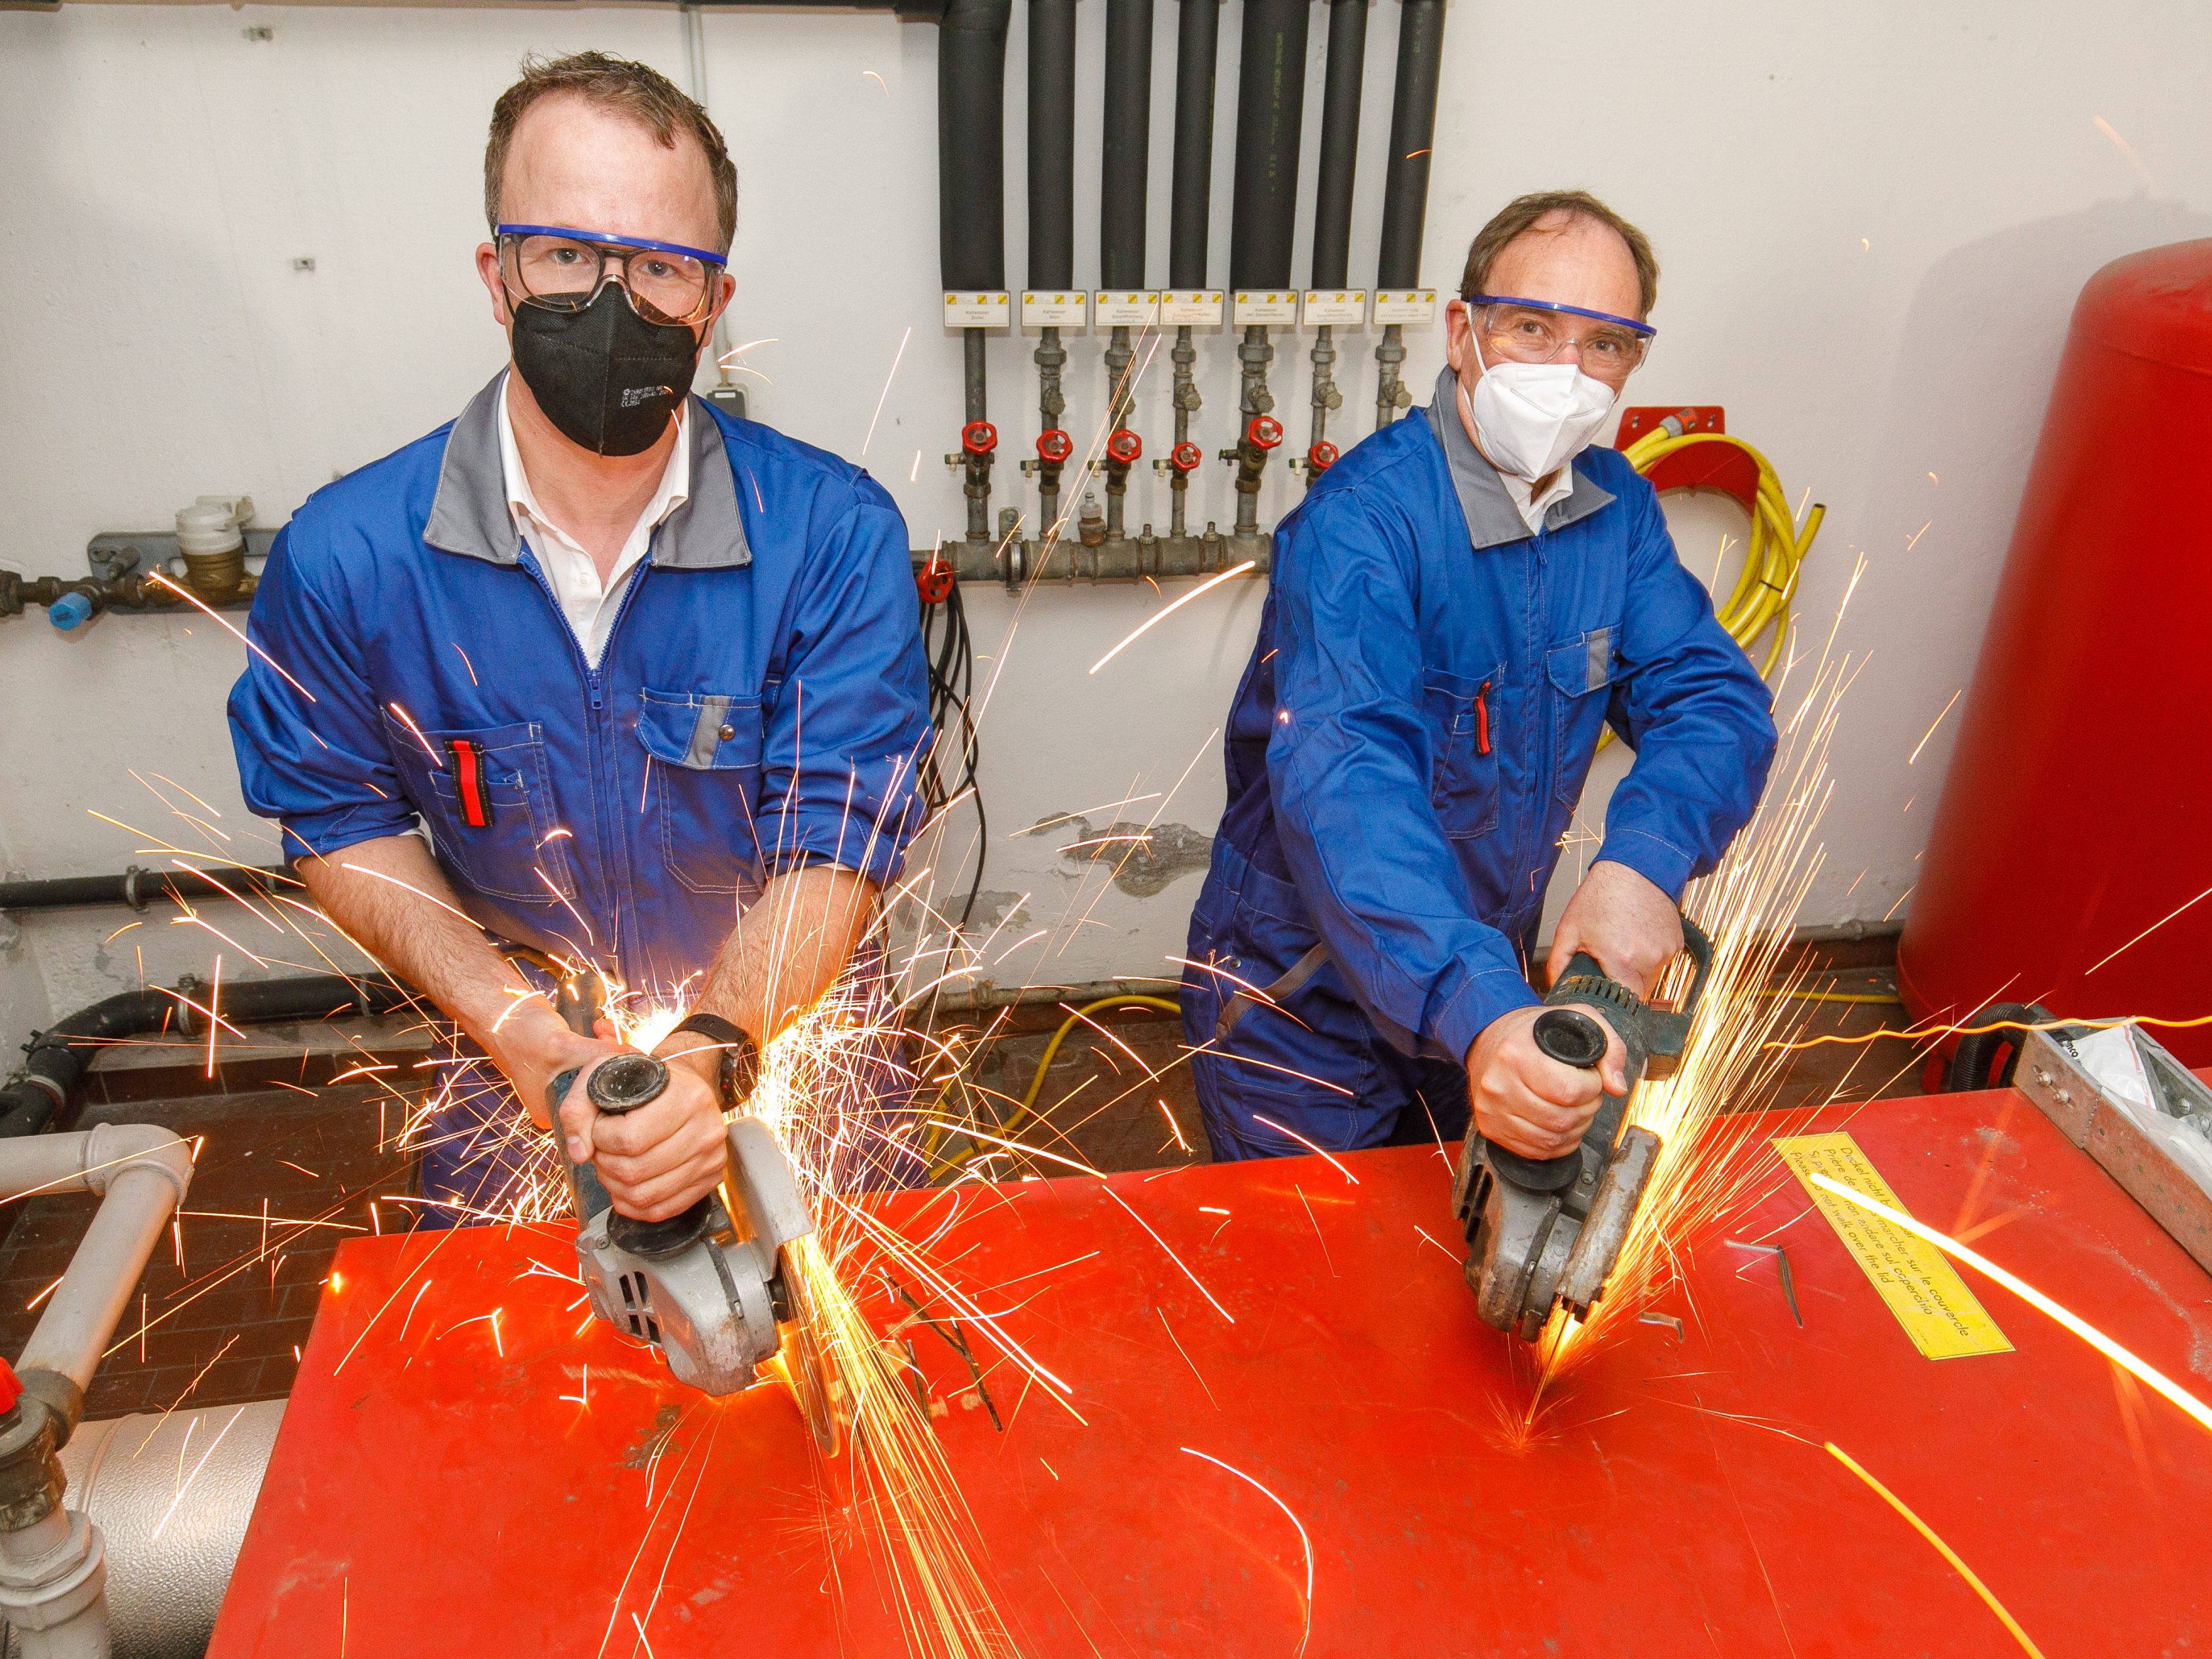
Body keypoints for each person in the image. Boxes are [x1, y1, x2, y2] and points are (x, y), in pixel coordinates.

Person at [228, 52, 931, 1223]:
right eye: (565, 254)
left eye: (661, 266)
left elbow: (841, 833)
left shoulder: (830, 534)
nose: (613, 303)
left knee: (846, 1359)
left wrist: (716, 1048)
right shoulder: (349, 556)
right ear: (496, 277)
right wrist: (523, 1034)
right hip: (512, 1078)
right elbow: (337, 816)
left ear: (715, 299)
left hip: (796, 1064)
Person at [1181, 190, 1778, 1166]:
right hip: (1304, 1005)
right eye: (1533, 328)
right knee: (1313, 1274)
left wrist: (1643, 863)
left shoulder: (1617, 510)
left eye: (1605, 344)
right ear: (1463, 332)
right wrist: (1484, 1010)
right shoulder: (1363, 525)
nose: (1567, 372)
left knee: (1444, 1257)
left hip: (1483, 982)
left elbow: (1714, 702)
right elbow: (1348, 784)